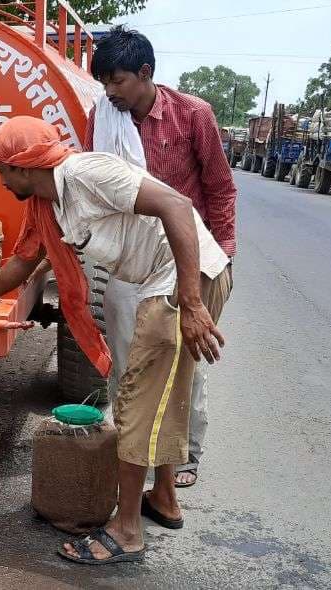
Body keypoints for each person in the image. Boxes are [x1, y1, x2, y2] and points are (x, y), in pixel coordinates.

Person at [0, 117, 231, 564]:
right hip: (166, 283)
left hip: (181, 282)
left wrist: (192, 303)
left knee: (135, 399)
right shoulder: (47, 202)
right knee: (163, 396)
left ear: (22, 167)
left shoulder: (87, 173)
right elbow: (24, 263)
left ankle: (127, 531)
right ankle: (163, 499)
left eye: (0, 170)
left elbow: (177, 206)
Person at [87, 27, 238, 488]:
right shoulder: (107, 117)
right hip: (132, 257)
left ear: (145, 73)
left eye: (117, 81)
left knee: (182, 355)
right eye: (104, 83)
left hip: (184, 259)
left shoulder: (193, 116)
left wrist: (224, 257)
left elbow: (220, 188)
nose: (110, 92)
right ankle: (130, 440)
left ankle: (186, 451)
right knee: (126, 353)